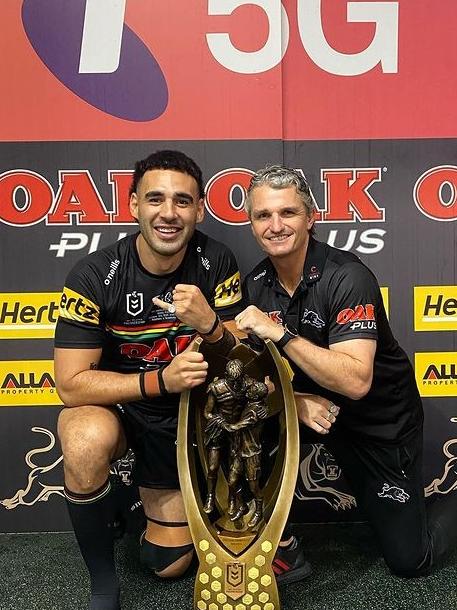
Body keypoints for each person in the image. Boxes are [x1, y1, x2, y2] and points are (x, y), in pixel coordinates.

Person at [235, 164, 457, 579]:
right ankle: (280, 547)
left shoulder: (346, 276)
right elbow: (256, 375)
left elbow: (356, 382)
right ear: (251, 224)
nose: (275, 225)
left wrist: (279, 333)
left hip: (378, 422)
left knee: (411, 560)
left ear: (311, 217)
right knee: (240, 415)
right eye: (263, 215)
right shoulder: (257, 284)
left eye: (288, 213)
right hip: (315, 412)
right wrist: (294, 401)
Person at [54, 150, 240, 610]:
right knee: (81, 437)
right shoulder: (95, 275)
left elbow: (240, 364)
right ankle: (103, 585)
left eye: (182, 201)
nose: (168, 213)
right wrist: (159, 380)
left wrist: (211, 326)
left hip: (185, 418)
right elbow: (72, 384)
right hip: (123, 405)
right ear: (134, 204)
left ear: (199, 209)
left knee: (167, 564)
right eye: (155, 198)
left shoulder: (217, 261)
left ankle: (127, 503)